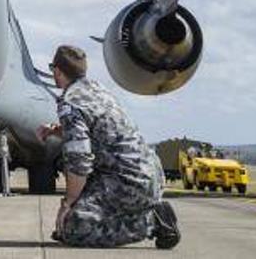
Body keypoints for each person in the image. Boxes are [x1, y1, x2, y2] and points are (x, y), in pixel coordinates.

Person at [36, 45, 180, 250]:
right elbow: (97, 130)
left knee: (74, 227)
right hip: (147, 174)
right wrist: (55, 130)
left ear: (57, 71)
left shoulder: (71, 102)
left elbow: (79, 160)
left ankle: (152, 222)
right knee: (79, 212)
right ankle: (145, 212)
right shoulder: (97, 90)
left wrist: (68, 203)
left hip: (128, 181)